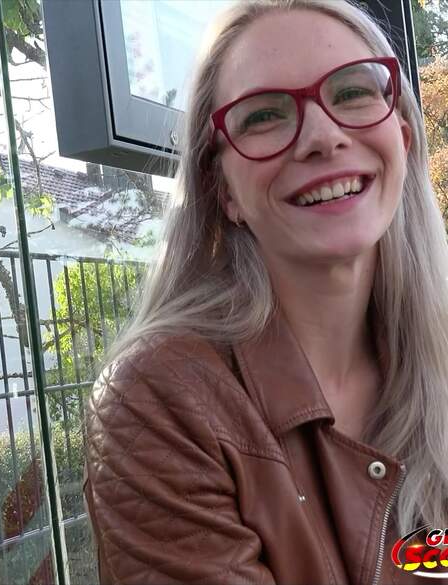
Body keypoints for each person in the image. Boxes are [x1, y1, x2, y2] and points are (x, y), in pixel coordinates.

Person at [83, 1, 448, 583]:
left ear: (402, 139)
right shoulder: (161, 400)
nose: (323, 137)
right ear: (223, 190)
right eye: (264, 117)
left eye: (353, 92)